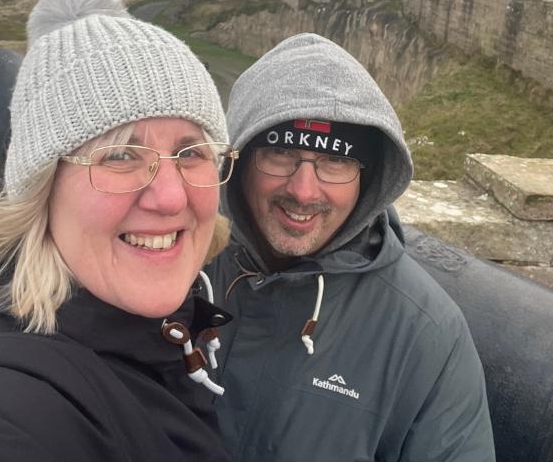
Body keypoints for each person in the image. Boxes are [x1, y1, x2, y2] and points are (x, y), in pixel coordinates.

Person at [0, 0, 238, 462]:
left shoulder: (171, 311)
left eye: (191, 152)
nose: (170, 198)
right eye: (120, 157)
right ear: (40, 190)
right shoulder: (16, 398)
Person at [208, 33, 496, 461]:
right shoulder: (180, 264)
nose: (304, 191)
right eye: (282, 153)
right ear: (241, 157)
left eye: (336, 160)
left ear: (368, 176)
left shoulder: (425, 334)